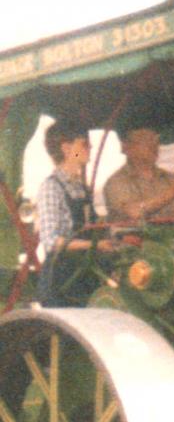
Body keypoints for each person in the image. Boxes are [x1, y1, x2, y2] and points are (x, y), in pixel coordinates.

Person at [36, 121, 114, 305]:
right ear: (66, 148)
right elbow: (51, 242)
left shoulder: (82, 189)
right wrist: (96, 245)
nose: (90, 148)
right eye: (84, 144)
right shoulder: (51, 188)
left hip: (84, 275)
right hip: (61, 281)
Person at [104, 127, 174, 222]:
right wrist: (171, 193)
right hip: (136, 236)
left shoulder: (170, 178)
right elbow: (133, 213)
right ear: (125, 147)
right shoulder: (116, 183)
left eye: (156, 139)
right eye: (145, 139)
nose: (153, 145)